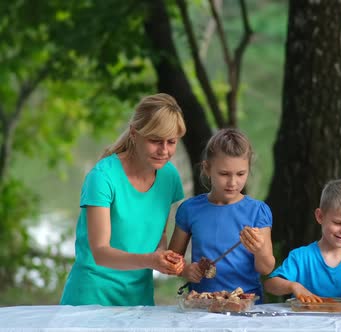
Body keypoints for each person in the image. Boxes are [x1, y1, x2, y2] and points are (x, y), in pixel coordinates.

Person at [60, 93, 187, 306]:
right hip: (91, 298)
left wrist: (162, 255)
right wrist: (150, 260)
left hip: (140, 297)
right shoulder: (102, 178)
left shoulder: (169, 176)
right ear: (134, 134)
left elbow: (160, 233)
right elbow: (100, 253)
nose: (164, 151)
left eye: (171, 142)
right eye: (155, 141)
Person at [168, 128, 275, 303]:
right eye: (224, 174)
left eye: (241, 174)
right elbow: (171, 259)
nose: (233, 183)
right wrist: (185, 270)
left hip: (245, 303)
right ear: (207, 169)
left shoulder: (257, 211)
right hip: (202, 303)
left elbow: (266, 268)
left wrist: (259, 249)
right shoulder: (190, 209)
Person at [264, 179, 341, 301]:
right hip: (305, 319)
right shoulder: (301, 256)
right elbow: (270, 285)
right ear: (320, 216)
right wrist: (294, 286)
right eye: (338, 223)